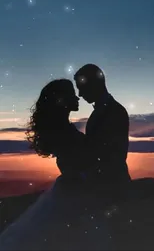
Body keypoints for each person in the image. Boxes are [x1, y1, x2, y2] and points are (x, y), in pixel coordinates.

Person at [0, 79, 113, 250]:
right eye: (73, 95)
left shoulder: (63, 128)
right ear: (63, 100)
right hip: (74, 191)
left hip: (73, 188)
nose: (78, 98)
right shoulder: (64, 131)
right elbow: (76, 159)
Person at [74, 63, 131, 186]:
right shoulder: (106, 110)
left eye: (81, 88)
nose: (79, 94)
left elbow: (113, 156)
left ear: (93, 85)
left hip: (113, 188)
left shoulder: (115, 111)